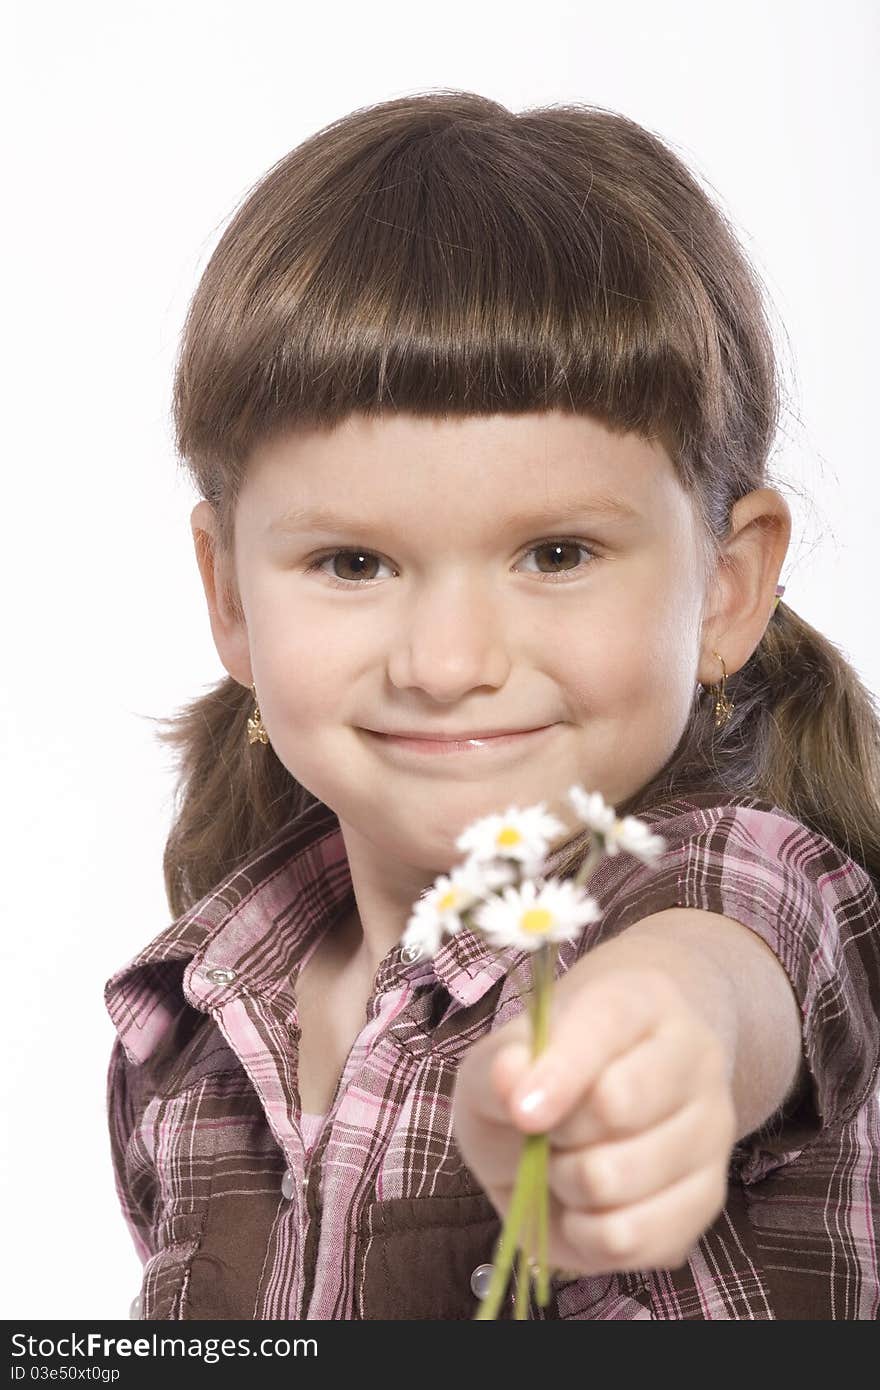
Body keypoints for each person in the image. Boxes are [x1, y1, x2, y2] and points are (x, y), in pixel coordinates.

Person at [104, 90, 880, 1321]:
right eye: (353, 564)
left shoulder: (735, 883)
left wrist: (642, 1052)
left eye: (558, 554)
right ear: (230, 597)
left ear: (728, 588)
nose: (449, 661)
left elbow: (722, 969)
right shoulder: (190, 1032)